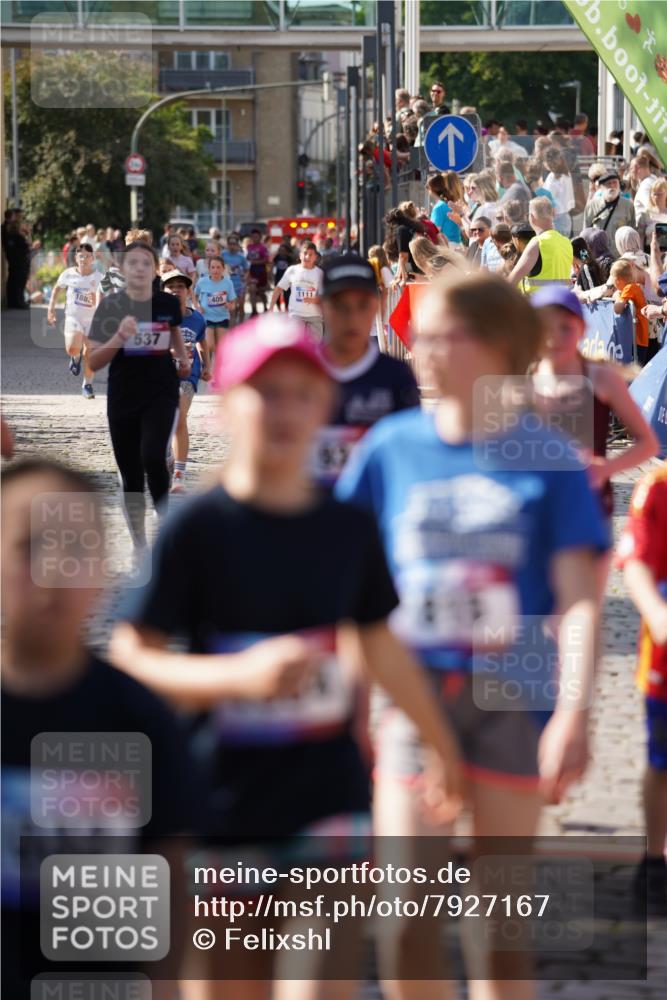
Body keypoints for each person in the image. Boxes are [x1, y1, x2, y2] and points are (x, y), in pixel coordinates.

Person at [108, 314, 462, 999]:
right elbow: (131, 657)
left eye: (303, 394)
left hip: (327, 795)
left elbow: (378, 641)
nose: (285, 410)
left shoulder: (346, 528)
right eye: (265, 391)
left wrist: (440, 741)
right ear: (226, 403)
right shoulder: (197, 527)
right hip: (219, 804)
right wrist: (234, 676)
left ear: (323, 409)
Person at [337, 272, 607, 994]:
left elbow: (580, 603)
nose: (419, 349)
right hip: (409, 689)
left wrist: (575, 716)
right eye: (417, 334)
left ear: (493, 345)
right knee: (404, 917)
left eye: (438, 336)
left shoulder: (550, 461)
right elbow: (349, 594)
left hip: (513, 689)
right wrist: (351, 704)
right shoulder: (388, 449)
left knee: (499, 927)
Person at [0, 458, 196, 999]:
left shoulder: (136, 718)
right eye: (29, 547)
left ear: (108, 571)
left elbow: (167, 871)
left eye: (79, 548)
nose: (55, 570)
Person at [532, 286, 657, 548]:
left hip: (588, 509)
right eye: (544, 327)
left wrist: (604, 468)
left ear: (583, 329)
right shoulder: (524, 379)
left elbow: (649, 443)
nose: (554, 337)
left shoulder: (601, 378)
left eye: (565, 328)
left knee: (581, 589)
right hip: (537, 509)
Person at [87, 241, 191, 550]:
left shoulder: (169, 304)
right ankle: (140, 544)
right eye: (133, 263)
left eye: (146, 263)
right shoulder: (110, 306)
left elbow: (174, 335)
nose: (140, 269)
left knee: (152, 456)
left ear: (155, 269)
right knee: (131, 477)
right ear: (122, 269)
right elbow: (93, 361)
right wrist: (120, 336)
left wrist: (183, 359)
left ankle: (165, 531)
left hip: (160, 392)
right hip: (123, 397)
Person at [313, 253, 421, 488]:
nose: (352, 317)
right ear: (320, 306)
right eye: (340, 306)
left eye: (362, 305)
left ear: (378, 304)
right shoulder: (299, 372)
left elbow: (409, 453)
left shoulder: (397, 377)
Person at [617, 466, 667, 916]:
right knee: (663, 762)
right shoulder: (659, 486)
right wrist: (656, 613)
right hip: (666, 665)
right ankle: (654, 860)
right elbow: (634, 563)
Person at [161, 269, 210, 494]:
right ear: (163, 291)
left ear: (188, 291)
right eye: (171, 287)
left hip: (187, 376)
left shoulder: (196, 318)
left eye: (181, 287)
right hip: (160, 375)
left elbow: (202, 342)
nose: (176, 291)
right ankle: (168, 455)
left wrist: (207, 366)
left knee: (179, 416)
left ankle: (179, 474)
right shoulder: (158, 318)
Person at [47, 242, 102, 399]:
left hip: (92, 319)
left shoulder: (98, 277)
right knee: (72, 348)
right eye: (81, 255)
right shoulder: (68, 274)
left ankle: (87, 385)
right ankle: (75, 357)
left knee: (90, 351)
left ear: (92, 258)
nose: (83, 259)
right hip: (73, 317)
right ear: (76, 257)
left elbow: (102, 295)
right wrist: (50, 309)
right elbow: (57, 289)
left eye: (87, 256)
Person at [509, 196, 573, 294]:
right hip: (562, 303)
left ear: (531, 217)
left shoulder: (537, 243)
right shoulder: (566, 242)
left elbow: (512, 281)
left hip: (539, 305)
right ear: (554, 213)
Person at [269, 240, 324, 340]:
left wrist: (315, 300)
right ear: (300, 255)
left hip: (314, 316)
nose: (307, 257)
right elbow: (278, 289)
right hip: (296, 315)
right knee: (296, 345)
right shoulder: (292, 270)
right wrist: (271, 307)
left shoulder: (320, 273)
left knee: (314, 348)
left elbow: (325, 296)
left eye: (311, 255)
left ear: (315, 257)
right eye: (305, 253)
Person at [583, 170, 636, 255]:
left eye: (615, 183)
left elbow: (633, 231)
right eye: (608, 184)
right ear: (601, 187)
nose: (612, 186)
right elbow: (585, 234)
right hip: (598, 256)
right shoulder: (591, 206)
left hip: (620, 256)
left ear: (619, 184)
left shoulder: (628, 206)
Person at [195, 254, 237, 355]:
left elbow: (233, 303)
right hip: (206, 317)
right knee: (209, 345)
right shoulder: (202, 281)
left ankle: (218, 368)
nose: (215, 270)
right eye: (213, 267)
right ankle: (207, 367)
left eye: (218, 267)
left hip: (222, 317)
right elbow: (194, 295)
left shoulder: (228, 283)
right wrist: (197, 307)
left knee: (220, 347)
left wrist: (230, 306)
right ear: (209, 269)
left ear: (223, 269)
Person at [610, 258, 650, 365]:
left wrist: (617, 296)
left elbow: (617, 309)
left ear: (618, 279)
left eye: (612, 279)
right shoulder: (632, 287)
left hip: (638, 340)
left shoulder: (630, 288)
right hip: (637, 338)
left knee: (636, 373)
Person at [542, 147, 575, 237]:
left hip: (556, 219)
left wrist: (536, 187)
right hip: (566, 217)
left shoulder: (554, 178)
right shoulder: (566, 174)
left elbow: (547, 198)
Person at [2, 211, 30, 308]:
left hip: (15, 261)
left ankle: (16, 302)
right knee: (18, 283)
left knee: (15, 282)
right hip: (18, 262)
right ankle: (18, 302)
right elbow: (25, 248)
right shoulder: (16, 236)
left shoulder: (12, 234)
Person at [426, 172, 464, 245]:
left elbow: (435, 231)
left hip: (445, 245)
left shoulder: (439, 207)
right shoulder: (452, 203)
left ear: (432, 190)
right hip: (457, 244)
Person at [222, 233, 249, 324]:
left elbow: (247, 270)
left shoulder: (241, 256)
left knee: (240, 306)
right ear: (227, 244)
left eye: (234, 244)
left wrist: (244, 278)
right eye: (230, 244)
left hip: (240, 284)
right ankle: (232, 327)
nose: (232, 246)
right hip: (228, 285)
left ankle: (241, 325)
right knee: (232, 308)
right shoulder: (223, 255)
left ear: (237, 245)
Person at [245, 227, 271, 315]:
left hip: (261, 271)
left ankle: (265, 306)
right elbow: (247, 259)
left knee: (260, 291)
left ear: (260, 237)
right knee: (252, 290)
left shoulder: (263, 248)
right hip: (252, 272)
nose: (254, 238)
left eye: (256, 236)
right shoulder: (249, 247)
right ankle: (254, 310)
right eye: (253, 237)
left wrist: (255, 262)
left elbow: (267, 260)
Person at [637, 177, 667, 250]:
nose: (656, 197)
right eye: (654, 194)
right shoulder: (645, 214)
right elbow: (640, 237)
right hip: (649, 253)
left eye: (660, 194)